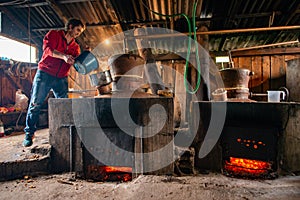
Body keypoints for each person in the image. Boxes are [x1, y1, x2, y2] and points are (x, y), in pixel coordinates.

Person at [23, 18, 85, 147]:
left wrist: (83, 59)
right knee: (35, 103)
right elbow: (48, 50)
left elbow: (77, 64)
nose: (79, 33)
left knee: (64, 105)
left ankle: (65, 134)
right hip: (44, 73)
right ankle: (29, 134)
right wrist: (63, 56)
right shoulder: (53, 34)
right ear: (70, 27)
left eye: (81, 31)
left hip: (61, 77)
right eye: (78, 30)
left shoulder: (75, 47)